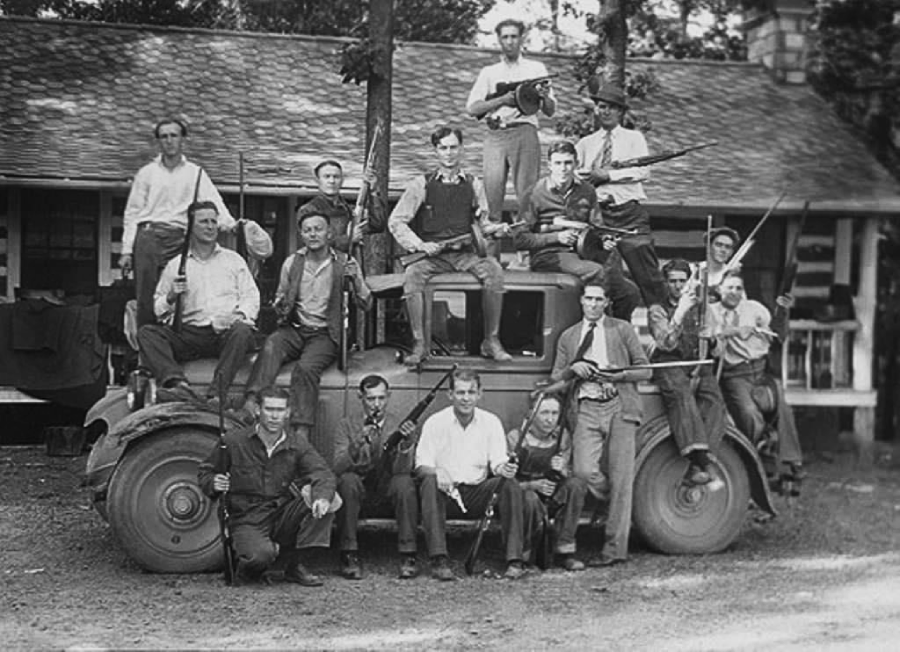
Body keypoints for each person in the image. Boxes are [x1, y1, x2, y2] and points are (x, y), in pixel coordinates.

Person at [121, 117, 272, 327]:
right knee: (148, 296)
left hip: (180, 238)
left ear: (183, 139)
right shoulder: (147, 174)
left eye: (174, 135)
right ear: (158, 141)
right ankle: (146, 348)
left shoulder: (195, 173)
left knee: (184, 290)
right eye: (164, 136)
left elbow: (214, 202)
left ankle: (177, 342)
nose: (169, 140)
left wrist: (231, 225)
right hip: (150, 238)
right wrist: (127, 250)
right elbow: (133, 212)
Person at [388, 126, 513, 366]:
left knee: (494, 270)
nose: (449, 153)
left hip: (466, 255)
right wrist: (420, 245)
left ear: (461, 149)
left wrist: (498, 230)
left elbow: (484, 224)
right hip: (433, 257)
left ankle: (491, 341)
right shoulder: (420, 185)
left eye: (453, 147)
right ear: (436, 151)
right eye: (443, 148)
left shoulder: (474, 184)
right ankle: (420, 345)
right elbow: (396, 221)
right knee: (412, 275)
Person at [243, 211, 372, 438]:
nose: (313, 234)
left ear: (329, 233)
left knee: (306, 368)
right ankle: (252, 402)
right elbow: (281, 297)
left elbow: (366, 303)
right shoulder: (292, 263)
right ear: (301, 235)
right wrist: (280, 305)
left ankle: (300, 431)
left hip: (325, 334)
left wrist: (355, 281)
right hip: (295, 329)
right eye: (307, 230)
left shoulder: (345, 262)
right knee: (272, 344)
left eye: (318, 229)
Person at [550, 281, 651, 566]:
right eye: (588, 299)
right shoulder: (569, 336)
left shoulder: (622, 329)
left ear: (606, 302)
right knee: (582, 472)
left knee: (622, 478)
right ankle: (617, 500)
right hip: (585, 408)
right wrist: (573, 369)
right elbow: (556, 378)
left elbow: (644, 370)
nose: (593, 304)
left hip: (619, 405)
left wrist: (619, 376)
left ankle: (614, 551)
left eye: (598, 300)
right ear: (581, 301)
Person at [197, 385, 338, 587]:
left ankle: (295, 564)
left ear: (287, 413)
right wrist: (214, 482)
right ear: (257, 410)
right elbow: (205, 472)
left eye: (279, 410)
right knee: (260, 556)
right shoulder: (233, 441)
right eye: (269, 409)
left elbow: (323, 473)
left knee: (332, 500)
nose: (274, 416)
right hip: (247, 517)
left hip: (281, 513)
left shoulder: (297, 443)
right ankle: (253, 566)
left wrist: (322, 498)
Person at [136, 201, 258, 404]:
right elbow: (159, 310)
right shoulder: (176, 265)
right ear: (190, 227)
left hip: (225, 334)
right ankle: (178, 385)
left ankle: (217, 394)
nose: (210, 226)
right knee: (147, 333)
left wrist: (237, 317)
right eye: (204, 222)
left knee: (243, 332)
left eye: (213, 221)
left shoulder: (233, 260)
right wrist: (171, 297)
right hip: (189, 335)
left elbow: (251, 297)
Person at [415, 368, 528, 581]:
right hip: (446, 494)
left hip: (478, 493)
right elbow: (421, 465)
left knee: (509, 484)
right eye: (460, 393)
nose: (465, 398)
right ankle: (439, 559)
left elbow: (497, 461)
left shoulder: (491, 422)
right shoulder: (435, 422)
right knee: (429, 482)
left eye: (470, 392)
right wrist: (437, 471)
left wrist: (505, 468)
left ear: (479, 394)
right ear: (450, 395)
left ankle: (515, 559)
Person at [515, 140, 641, 320]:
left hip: (585, 252)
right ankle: (600, 329)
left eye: (568, 163)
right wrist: (556, 237)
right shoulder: (534, 193)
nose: (563, 168)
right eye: (558, 163)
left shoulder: (587, 190)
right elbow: (519, 239)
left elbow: (597, 228)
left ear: (576, 164)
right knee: (596, 272)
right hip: (550, 256)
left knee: (630, 292)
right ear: (549, 165)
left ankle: (618, 335)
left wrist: (605, 240)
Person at [575, 80, 665, 309]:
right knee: (603, 281)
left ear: (621, 112)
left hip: (628, 214)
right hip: (598, 218)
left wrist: (609, 176)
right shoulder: (585, 143)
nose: (605, 111)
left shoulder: (634, 138)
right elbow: (574, 178)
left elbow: (644, 171)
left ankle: (667, 337)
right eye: (601, 106)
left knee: (650, 280)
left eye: (611, 107)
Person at [708, 273, 803, 487]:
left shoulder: (754, 308)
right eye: (730, 287)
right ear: (720, 290)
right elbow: (708, 336)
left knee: (783, 409)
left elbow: (777, 335)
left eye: (738, 288)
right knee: (750, 414)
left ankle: (791, 463)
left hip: (760, 369)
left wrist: (782, 311)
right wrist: (733, 331)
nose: (734, 292)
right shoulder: (711, 311)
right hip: (733, 373)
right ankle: (750, 460)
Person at [467, 19, 556, 226]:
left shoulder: (536, 68)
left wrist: (543, 96)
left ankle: (526, 256)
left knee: (528, 196)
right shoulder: (489, 72)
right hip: (496, 134)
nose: (509, 41)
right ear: (499, 40)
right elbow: (472, 108)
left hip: (525, 131)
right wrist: (502, 100)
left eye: (514, 36)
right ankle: (490, 258)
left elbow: (550, 111)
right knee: (491, 198)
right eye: (505, 37)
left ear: (522, 39)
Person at [647, 259, 727, 486]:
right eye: (672, 281)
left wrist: (711, 337)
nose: (678, 286)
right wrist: (680, 313)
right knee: (681, 394)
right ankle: (703, 461)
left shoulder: (702, 308)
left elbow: (719, 349)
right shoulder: (657, 310)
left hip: (698, 363)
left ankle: (697, 466)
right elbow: (665, 343)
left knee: (715, 402)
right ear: (665, 283)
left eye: (682, 281)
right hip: (669, 364)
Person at [333, 375, 420, 580]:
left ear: (388, 397)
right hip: (359, 490)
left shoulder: (398, 424)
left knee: (404, 483)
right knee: (347, 481)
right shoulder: (346, 425)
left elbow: (403, 469)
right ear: (360, 397)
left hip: (387, 489)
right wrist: (357, 444)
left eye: (382, 398)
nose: (377, 404)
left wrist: (406, 444)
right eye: (371, 399)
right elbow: (338, 467)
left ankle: (408, 553)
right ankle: (349, 552)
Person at [506, 393, 589, 571]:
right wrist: (531, 486)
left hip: (552, 494)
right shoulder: (516, 438)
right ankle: (525, 555)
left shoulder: (562, 437)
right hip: (525, 495)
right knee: (529, 499)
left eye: (554, 413)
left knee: (576, 486)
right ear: (532, 413)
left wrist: (562, 469)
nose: (549, 419)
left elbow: (569, 473)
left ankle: (564, 551)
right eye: (544, 413)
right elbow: (505, 483)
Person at [297, 160, 385, 253]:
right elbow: (313, 245)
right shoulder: (308, 210)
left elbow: (377, 225)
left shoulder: (350, 211)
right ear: (317, 180)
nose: (332, 181)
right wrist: (348, 239)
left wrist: (373, 191)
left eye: (336, 177)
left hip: (349, 265)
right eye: (327, 177)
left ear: (342, 180)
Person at [701, 226, 741, 300]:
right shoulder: (693, 269)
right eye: (719, 245)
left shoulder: (732, 275)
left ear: (731, 252)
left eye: (728, 247)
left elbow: (740, 306)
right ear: (709, 246)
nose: (723, 250)